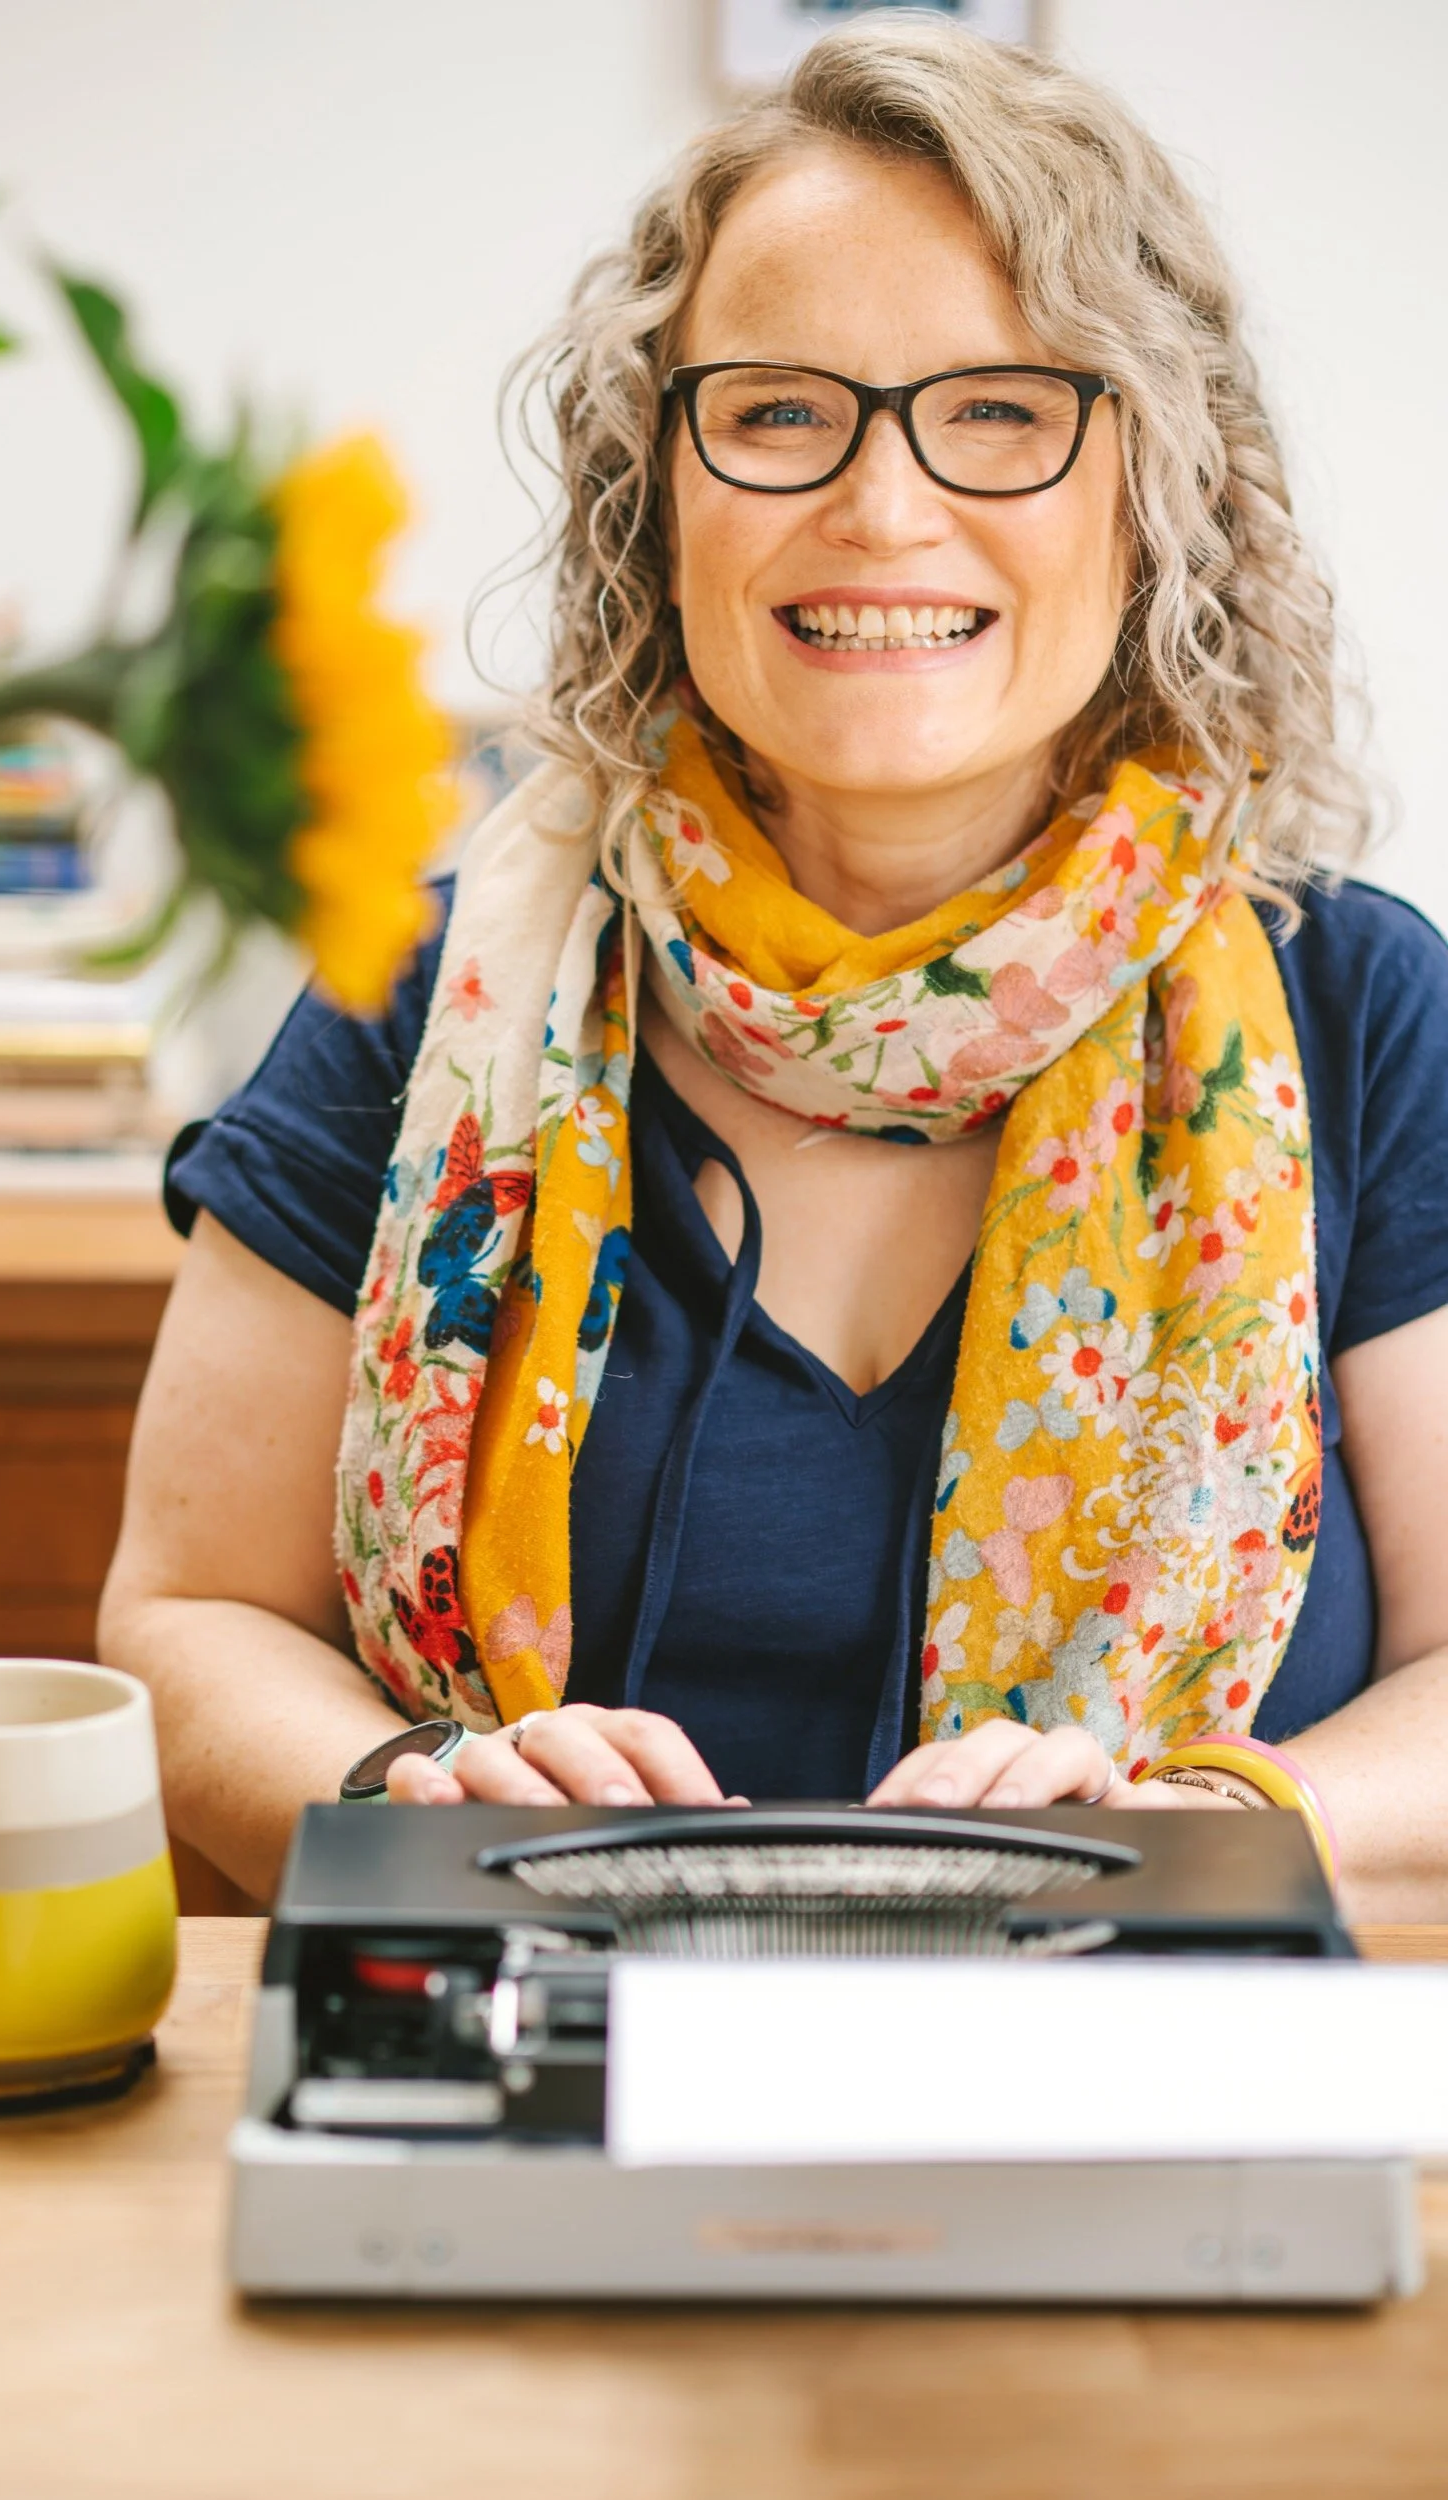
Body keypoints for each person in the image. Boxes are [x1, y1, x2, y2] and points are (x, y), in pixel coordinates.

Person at [99, 18, 1448, 1921]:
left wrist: (1239, 1823)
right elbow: (183, 1619)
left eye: (999, 408)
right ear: (654, 490)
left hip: (1136, 2095)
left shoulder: (1361, 1018)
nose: (882, 508)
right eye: (780, 409)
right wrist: (404, 1784)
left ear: (1154, 495)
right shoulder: (420, 989)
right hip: (542, 2083)